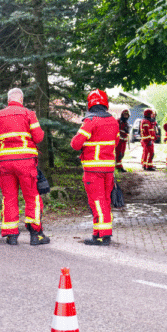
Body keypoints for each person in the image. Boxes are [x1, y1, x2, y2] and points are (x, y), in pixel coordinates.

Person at [0, 88, 50, 245]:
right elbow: (38, 137)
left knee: (9, 197)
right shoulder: (29, 114)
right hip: (26, 163)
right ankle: (36, 235)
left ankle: (11, 235)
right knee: (32, 197)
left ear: (8, 99)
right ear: (21, 100)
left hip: (6, 164)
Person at [71, 89, 119, 246]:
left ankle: (103, 236)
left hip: (93, 169)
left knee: (97, 202)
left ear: (90, 104)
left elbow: (76, 144)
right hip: (108, 169)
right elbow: (116, 142)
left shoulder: (91, 121)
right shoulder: (113, 121)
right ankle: (99, 233)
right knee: (104, 200)